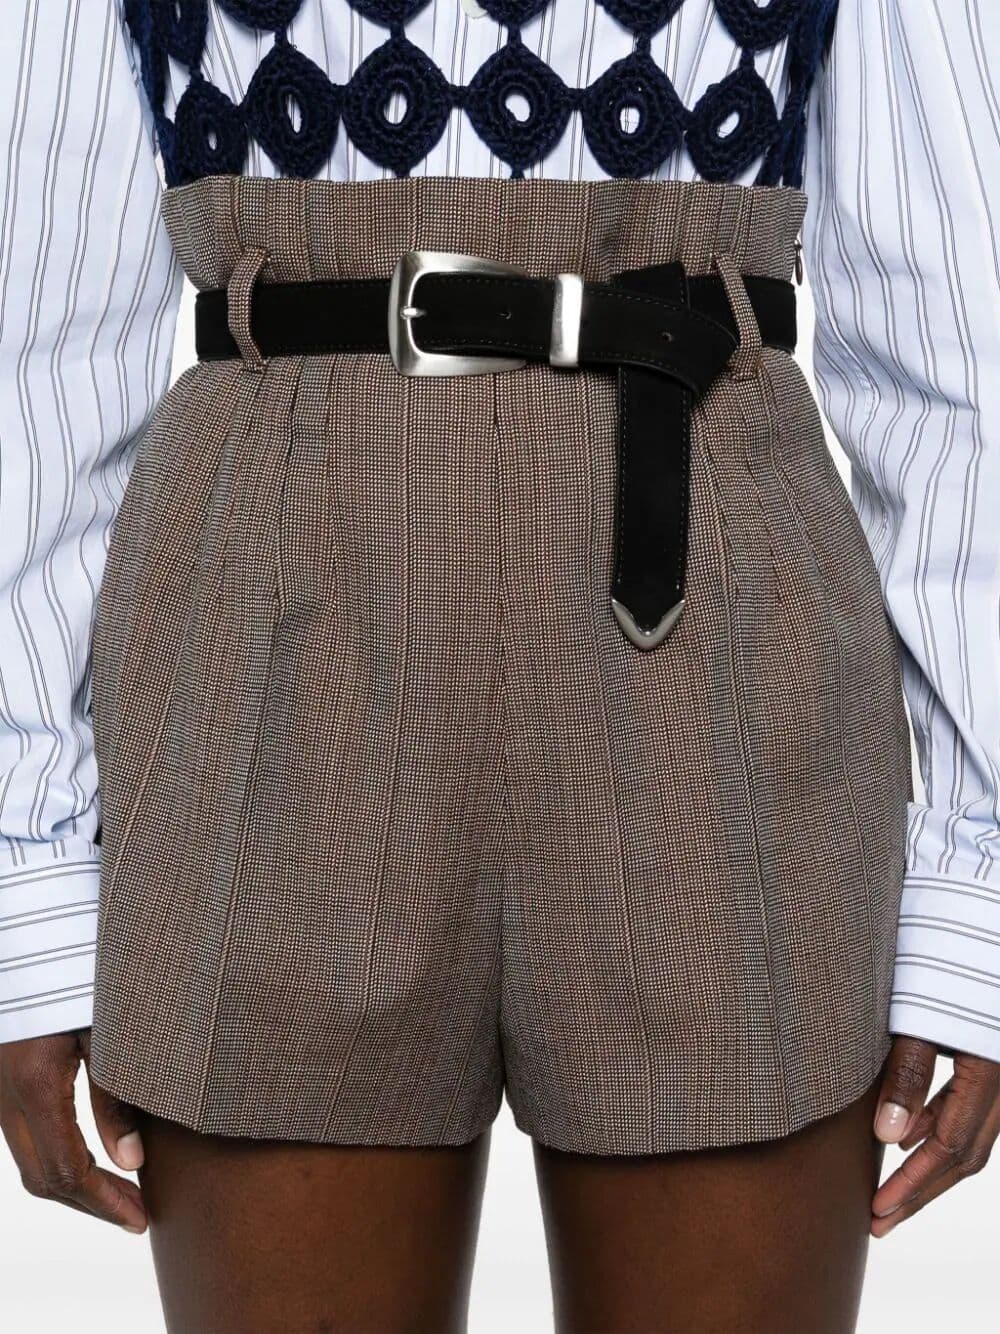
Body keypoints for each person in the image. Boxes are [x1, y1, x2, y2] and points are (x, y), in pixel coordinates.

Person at [1, 2, 998, 1330]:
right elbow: (39, 322)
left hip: (714, 595)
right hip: (277, 608)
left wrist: (975, 882)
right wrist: (27, 874)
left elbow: (954, 328)